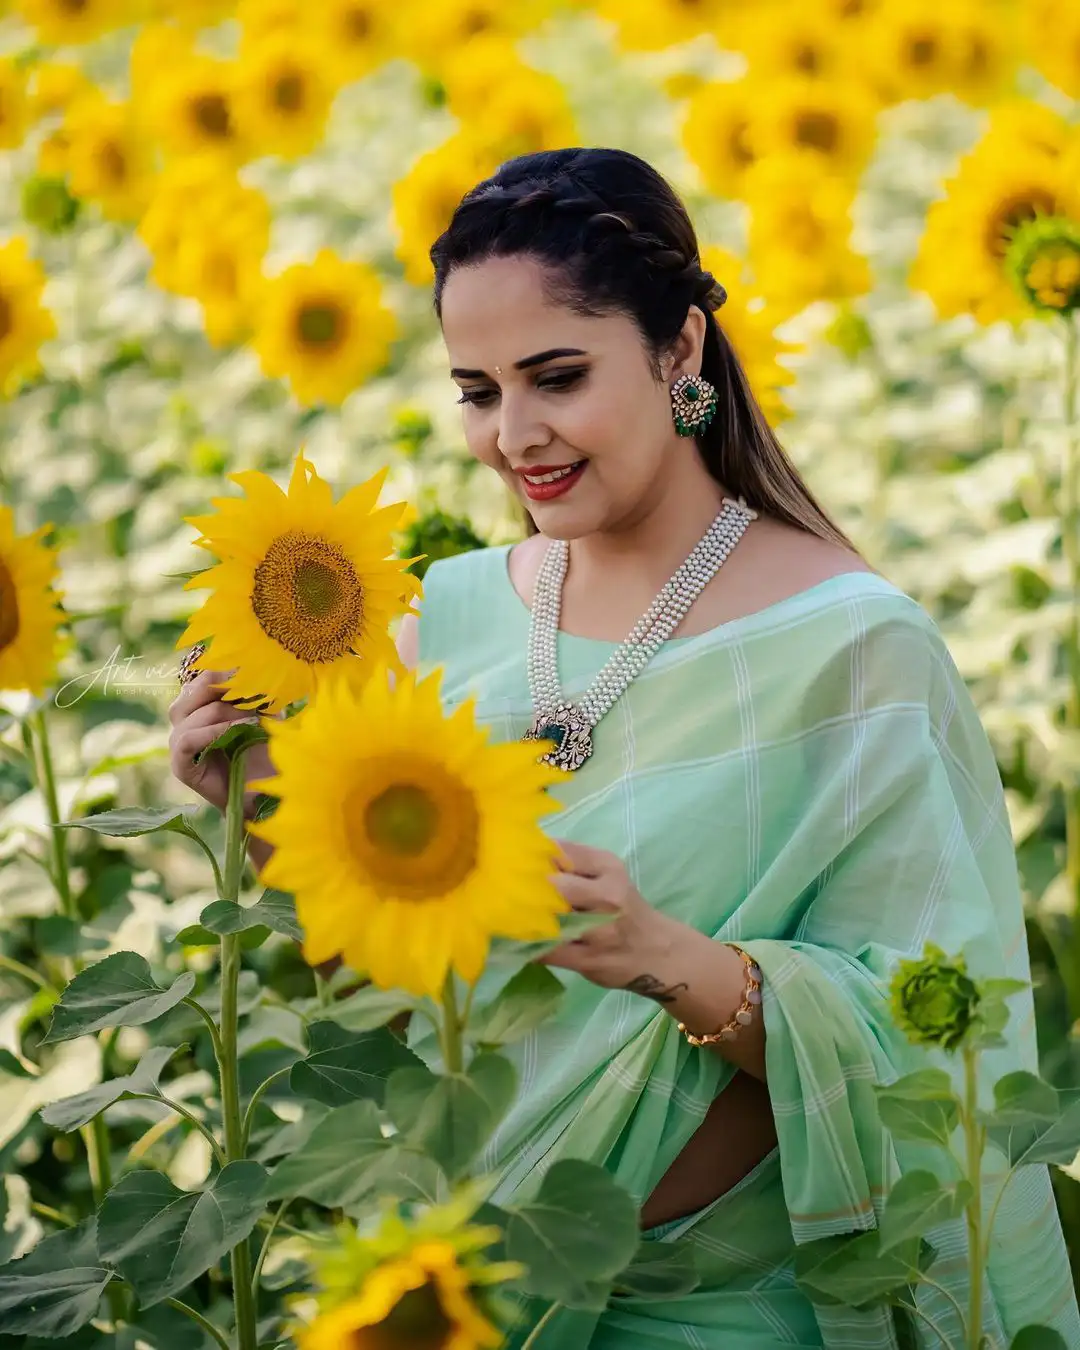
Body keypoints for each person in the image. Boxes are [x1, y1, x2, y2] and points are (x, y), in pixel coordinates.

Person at [168, 147, 1080, 1348]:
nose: (514, 436)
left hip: (745, 1312)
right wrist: (274, 812)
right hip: (475, 1295)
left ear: (681, 351)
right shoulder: (441, 614)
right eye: (479, 391)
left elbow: (932, 1055)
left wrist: (669, 959)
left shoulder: (856, 650)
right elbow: (405, 1007)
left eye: (557, 376)